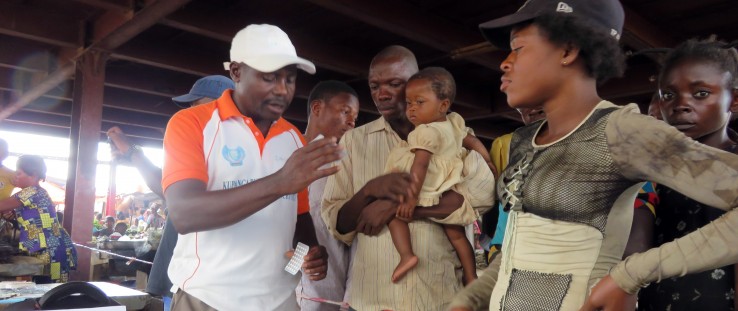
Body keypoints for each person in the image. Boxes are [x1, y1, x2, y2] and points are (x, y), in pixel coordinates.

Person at [447, 0, 738, 310]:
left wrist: (630, 275)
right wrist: (469, 300)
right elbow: (522, 247)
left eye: (518, 48)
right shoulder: (523, 139)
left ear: (568, 51)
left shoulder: (621, 131)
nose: (505, 63)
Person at [163, 24, 338, 310]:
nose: (282, 90)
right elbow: (185, 213)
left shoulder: (293, 137)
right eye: (269, 78)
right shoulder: (193, 124)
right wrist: (280, 181)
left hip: (280, 301)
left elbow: (299, 219)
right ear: (236, 72)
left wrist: (308, 257)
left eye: (290, 80)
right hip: (208, 299)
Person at [321, 45, 495, 310]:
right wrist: (368, 192)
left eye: (394, 84)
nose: (382, 94)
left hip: (440, 298)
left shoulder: (454, 136)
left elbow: (478, 199)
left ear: (417, 84)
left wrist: (393, 207)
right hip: (374, 300)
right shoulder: (355, 142)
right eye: (374, 86)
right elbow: (338, 224)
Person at [107, 75, 235, 311]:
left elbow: (171, 189)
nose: (190, 112)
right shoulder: (208, 149)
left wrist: (133, 151)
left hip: (204, 288)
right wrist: (131, 155)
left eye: (195, 105)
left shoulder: (227, 153)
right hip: (188, 282)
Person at [636, 37, 738, 311]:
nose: (680, 105)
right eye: (668, 95)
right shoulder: (654, 170)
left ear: (734, 100)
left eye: (701, 93)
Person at [383, 67, 486, 285]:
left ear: (443, 105)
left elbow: (420, 166)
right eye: (409, 103)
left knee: (393, 214)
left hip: (427, 187)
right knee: (457, 234)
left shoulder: (425, 131)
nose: (411, 109)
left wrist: (411, 198)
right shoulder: (454, 121)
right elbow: (471, 140)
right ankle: (471, 275)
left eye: (420, 102)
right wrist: (486, 159)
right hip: (450, 185)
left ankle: (406, 255)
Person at [297, 80, 359, 311]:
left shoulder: (349, 168)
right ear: (317, 109)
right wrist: (295, 263)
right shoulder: (283, 156)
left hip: (330, 298)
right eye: (345, 112)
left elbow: (360, 243)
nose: (352, 121)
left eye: (355, 116)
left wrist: (350, 301)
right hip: (281, 296)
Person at [0, 155, 77, 283]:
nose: (15, 177)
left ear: (34, 174)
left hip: (50, 248)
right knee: (45, 286)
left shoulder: (32, 191)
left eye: (19, 173)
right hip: (49, 246)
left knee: (50, 288)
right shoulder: (35, 193)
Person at [483, 107, 545, 258]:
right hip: (510, 238)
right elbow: (495, 198)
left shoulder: (506, 143)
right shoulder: (505, 144)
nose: (532, 113)